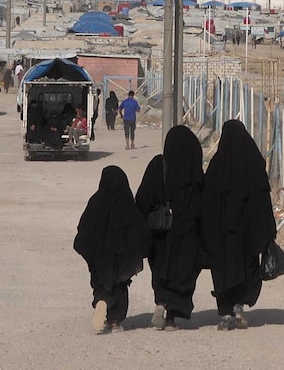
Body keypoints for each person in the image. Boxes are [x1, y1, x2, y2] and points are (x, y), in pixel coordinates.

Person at [201, 120, 277, 331]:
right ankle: (239, 305)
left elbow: (207, 203)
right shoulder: (254, 165)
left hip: (222, 235)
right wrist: (268, 231)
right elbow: (263, 202)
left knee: (224, 271)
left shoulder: (218, 166)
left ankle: (225, 313)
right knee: (247, 268)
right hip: (247, 234)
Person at [135, 125, 204, 331]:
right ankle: (173, 315)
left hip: (161, 232)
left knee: (161, 268)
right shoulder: (193, 167)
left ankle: (160, 303)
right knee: (183, 271)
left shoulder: (159, 165)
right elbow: (203, 200)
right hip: (187, 232)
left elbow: (143, 198)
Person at [74, 166, 152, 334]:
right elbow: (140, 230)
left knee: (101, 282)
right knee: (120, 286)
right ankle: (115, 321)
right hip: (122, 256)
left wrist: (89, 250)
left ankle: (101, 300)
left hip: (101, 256)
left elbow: (84, 227)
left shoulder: (96, 201)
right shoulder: (127, 202)